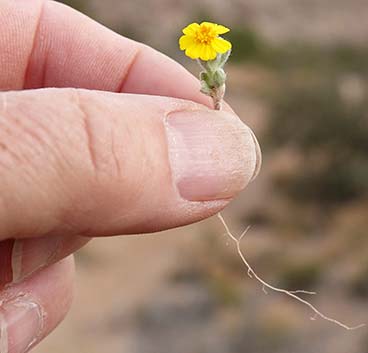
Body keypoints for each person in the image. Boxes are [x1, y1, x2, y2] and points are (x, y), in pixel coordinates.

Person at [0, 1, 259, 352]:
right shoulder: (201, 46)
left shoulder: (211, 47)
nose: (203, 36)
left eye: (206, 35)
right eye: (202, 35)